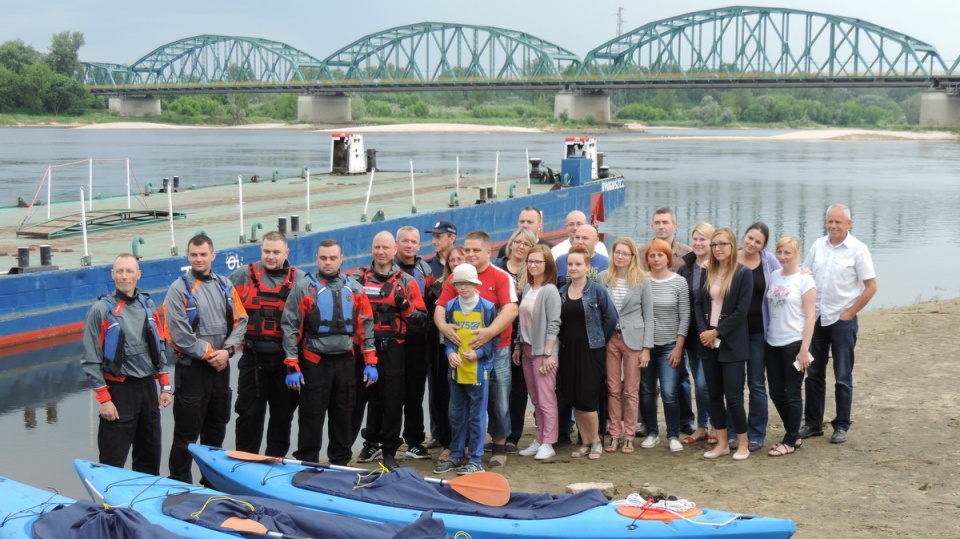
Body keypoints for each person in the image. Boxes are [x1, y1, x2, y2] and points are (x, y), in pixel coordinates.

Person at [281, 239, 378, 467]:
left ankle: (340, 464)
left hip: (345, 363)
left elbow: (366, 325)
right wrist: (291, 366)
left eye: (332, 258)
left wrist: (370, 362)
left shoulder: (354, 289)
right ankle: (307, 463)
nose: (327, 262)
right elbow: (290, 327)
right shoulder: (304, 288)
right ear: (317, 258)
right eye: (323, 258)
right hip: (314, 363)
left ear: (341, 259)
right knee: (311, 417)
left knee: (343, 416)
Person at [164, 235, 248, 484]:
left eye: (203, 254)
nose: (198, 259)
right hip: (192, 371)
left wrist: (228, 352)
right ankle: (180, 484)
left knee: (216, 430)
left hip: (221, 370)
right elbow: (178, 333)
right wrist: (213, 354)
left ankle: (210, 483)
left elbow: (241, 321)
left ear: (213, 256)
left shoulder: (225, 285)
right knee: (185, 435)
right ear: (188, 257)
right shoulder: (179, 289)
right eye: (193, 255)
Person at [81, 254, 172, 475]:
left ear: (138, 275)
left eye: (129, 271)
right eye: (119, 271)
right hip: (118, 391)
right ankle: (111, 506)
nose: (124, 276)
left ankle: (145, 501)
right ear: (112, 275)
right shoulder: (100, 311)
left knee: (149, 457)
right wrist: (104, 400)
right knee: (113, 460)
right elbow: (90, 359)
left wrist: (165, 386)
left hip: (147, 391)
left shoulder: (148, 305)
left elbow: (158, 346)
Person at [434, 231, 517, 468]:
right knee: (462, 404)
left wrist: (489, 333)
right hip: (463, 352)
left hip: (496, 349)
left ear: (488, 252)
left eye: (475, 250)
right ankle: (463, 449)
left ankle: (499, 445)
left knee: (498, 399)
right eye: (467, 250)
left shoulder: (500, 277)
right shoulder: (458, 278)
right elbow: (441, 307)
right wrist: (443, 327)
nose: (470, 254)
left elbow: (511, 310)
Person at [800, 204, 877, 444]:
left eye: (838, 223)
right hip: (818, 319)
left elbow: (871, 287)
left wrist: (850, 313)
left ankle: (841, 425)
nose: (833, 226)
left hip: (842, 321)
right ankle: (813, 423)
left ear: (849, 225)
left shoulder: (858, 250)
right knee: (813, 374)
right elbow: (805, 273)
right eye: (830, 222)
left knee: (843, 375)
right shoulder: (817, 245)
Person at [352, 231, 427, 468]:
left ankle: (389, 451)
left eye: (385, 248)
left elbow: (422, 321)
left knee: (393, 400)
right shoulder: (356, 279)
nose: (381, 252)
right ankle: (355, 447)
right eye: (377, 247)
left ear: (394, 249)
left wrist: (404, 306)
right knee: (356, 400)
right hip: (363, 347)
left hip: (394, 347)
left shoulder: (406, 281)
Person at [229, 231, 304, 457]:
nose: (271, 256)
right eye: (266, 251)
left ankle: (274, 460)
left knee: (282, 417)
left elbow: (308, 321)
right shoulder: (241, 276)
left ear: (286, 252)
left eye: (276, 252)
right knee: (248, 415)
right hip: (253, 360)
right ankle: (245, 461)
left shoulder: (300, 281)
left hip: (286, 363)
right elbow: (226, 314)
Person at [432, 264, 500, 475]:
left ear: (475, 284)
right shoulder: (451, 306)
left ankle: (476, 459)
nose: (463, 288)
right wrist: (450, 353)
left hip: (479, 371)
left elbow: (494, 338)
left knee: (477, 415)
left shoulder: (487, 307)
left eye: (467, 284)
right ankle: (456, 455)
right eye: (459, 284)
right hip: (456, 371)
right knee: (456, 414)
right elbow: (449, 337)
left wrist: (478, 354)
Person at [695, 228, 753, 461]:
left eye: (722, 244)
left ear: (732, 246)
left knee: (734, 395)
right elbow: (698, 305)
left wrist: (717, 332)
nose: (717, 248)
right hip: (708, 342)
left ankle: (742, 443)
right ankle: (721, 442)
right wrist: (704, 333)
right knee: (713, 394)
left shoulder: (743, 274)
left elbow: (741, 311)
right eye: (714, 245)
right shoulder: (706, 271)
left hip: (732, 343)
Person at [558, 245, 618, 461]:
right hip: (568, 351)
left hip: (591, 350)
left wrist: (600, 340)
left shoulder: (597, 290)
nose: (573, 268)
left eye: (578, 264)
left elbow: (610, 318)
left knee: (588, 397)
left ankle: (596, 441)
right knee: (574, 397)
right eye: (570, 264)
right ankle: (584, 441)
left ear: (587, 266)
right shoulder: (562, 291)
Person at [599, 238, 653, 454]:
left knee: (631, 390)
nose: (620, 256)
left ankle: (629, 435)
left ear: (633, 257)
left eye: (625, 253)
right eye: (617, 252)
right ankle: (614, 434)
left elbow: (648, 316)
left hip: (634, 338)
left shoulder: (642, 280)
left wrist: (647, 348)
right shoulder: (604, 278)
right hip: (610, 338)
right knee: (612, 388)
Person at [765, 235, 816, 457]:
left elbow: (810, 316)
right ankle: (793, 433)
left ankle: (790, 440)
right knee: (776, 392)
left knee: (792, 392)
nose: (783, 257)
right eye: (780, 252)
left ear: (797, 254)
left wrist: (804, 349)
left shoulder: (805, 280)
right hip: (772, 342)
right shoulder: (775, 275)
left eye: (788, 253)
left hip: (794, 342)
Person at [733, 222, 781, 452]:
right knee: (732, 384)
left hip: (757, 331)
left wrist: (803, 271)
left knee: (756, 383)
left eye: (758, 241)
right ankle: (734, 431)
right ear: (744, 235)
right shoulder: (730, 258)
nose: (752, 244)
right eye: (750, 238)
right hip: (731, 331)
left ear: (763, 245)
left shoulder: (769, 261)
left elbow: (785, 276)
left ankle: (756, 433)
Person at [638, 239, 690, 453]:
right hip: (647, 346)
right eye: (652, 255)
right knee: (647, 391)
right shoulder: (641, 282)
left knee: (669, 392)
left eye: (660, 255)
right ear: (647, 260)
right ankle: (652, 432)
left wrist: (679, 347)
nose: (656, 259)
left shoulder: (679, 282)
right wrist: (644, 347)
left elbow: (685, 316)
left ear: (668, 258)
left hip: (670, 345)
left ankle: (672, 435)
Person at [514, 245, 561, 461]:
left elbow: (554, 322)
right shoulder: (527, 288)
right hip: (526, 349)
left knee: (546, 398)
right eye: (530, 261)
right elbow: (521, 322)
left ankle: (549, 442)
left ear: (547, 264)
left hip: (543, 352)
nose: (533, 265)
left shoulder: (549, 290)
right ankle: (539, 437)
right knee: (535, 398)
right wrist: (517, 345)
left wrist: (548, 353)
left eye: (538, 262)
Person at [394, 226, 434, 460]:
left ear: (419, 246)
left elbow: (429, 303)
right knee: (386, 394)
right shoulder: (386, 269)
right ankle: (377, 440)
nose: (409, 245)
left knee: (415, 394)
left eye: (413, 242)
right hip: (391, 341)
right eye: (405, 241)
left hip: (418, 341)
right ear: (396, 244)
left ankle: (415, 441)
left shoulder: (424, 270)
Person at [497, 227, 537, 454]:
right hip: (497, 334)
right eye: (517, 242)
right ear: (511, 243)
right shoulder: (497, 269)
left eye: (526, 244)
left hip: (521, 337)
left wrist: (519, 343)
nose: (520, 246)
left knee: (518, 389)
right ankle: (498, 433)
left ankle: (513, 436)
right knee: (497, 389)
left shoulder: (530, 275)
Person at [677, 222, 717, 445]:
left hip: (712, 334)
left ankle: (714, 424)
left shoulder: (718, 266)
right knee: (697, 379)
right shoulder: (686, 267)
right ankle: (702, 426)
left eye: (703, 239)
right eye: (696, 239)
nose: (699, 243)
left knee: (705, 382)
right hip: (692, 334)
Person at [423, 220, 457, 451]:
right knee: (436, 387)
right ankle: (437, 432)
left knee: (456, 387)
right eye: (433, 236)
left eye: (439, 236)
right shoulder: (428, 267)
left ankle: (456, 434)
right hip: (435, 337)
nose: (434, 240)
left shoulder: (461, 264)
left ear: (452, 238)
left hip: (459, 338)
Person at [431, 246, 467, 463]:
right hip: (448, 349)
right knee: (448, 398)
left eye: (459, 258)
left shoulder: (473, 288)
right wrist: (444, 328)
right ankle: (449, 442)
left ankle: (469, 444)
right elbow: (438, 310)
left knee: (471, 398)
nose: (455, 262)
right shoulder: (442, 285)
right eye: (452, 260)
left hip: (472, 348)